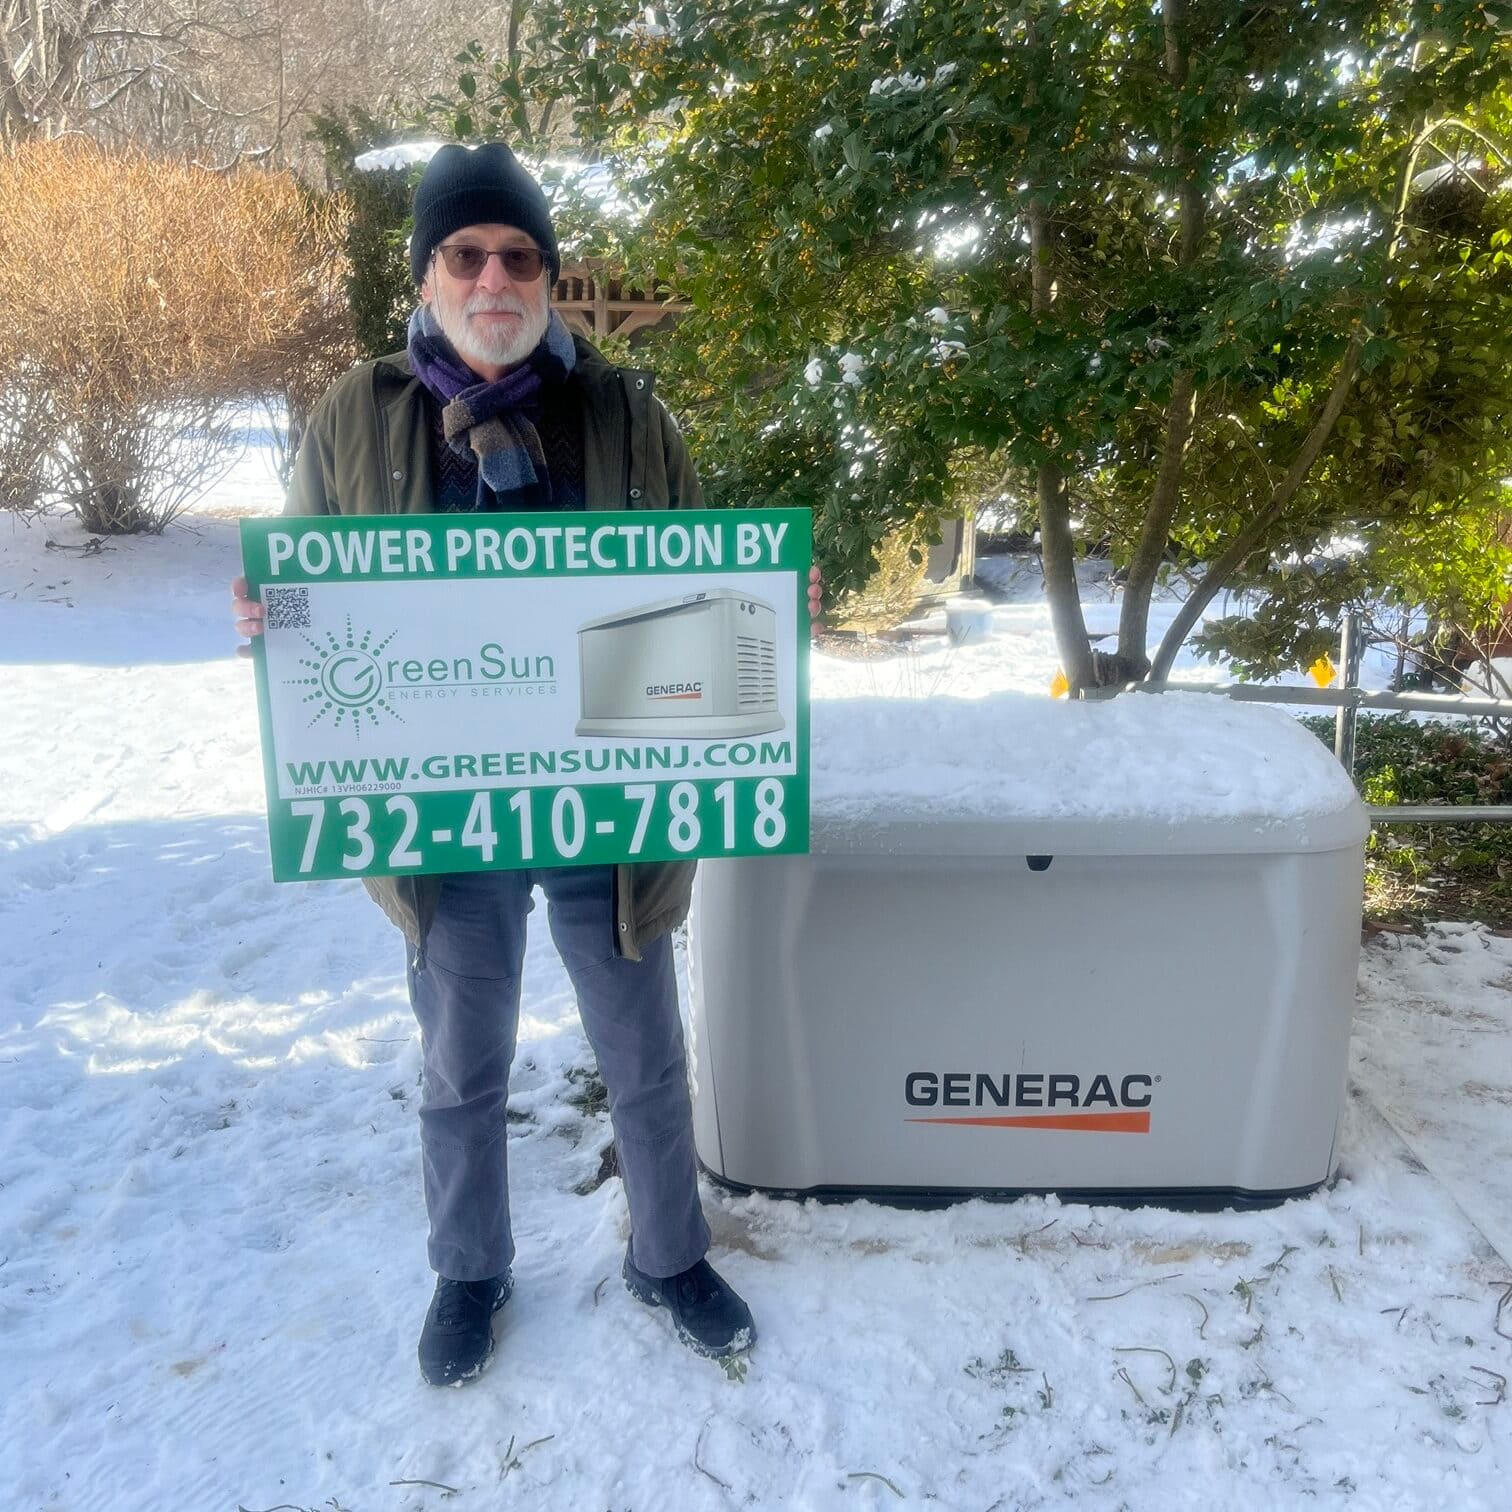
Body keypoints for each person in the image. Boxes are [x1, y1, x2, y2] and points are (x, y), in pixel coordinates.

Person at [231, 143, 822, 1386]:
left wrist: (764, 604)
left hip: (605, 793)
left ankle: (669, 1255)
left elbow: (702, 606)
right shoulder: (360, 413)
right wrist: (267, 615)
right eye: (468, 253)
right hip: (448, 804)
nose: (495, 274)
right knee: (461, 1056)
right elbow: (307, 590)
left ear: (546, 273)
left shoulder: (623, 413)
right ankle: (469, 1270)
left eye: (519, 254)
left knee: (643, 1049)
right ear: (430, 271)